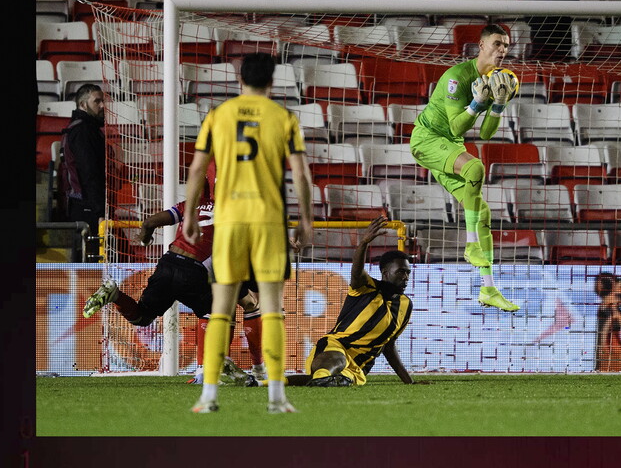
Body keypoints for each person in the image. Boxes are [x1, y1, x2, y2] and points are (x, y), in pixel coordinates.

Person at [182, 52, 314, 414]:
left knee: (221, 308)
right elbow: (301, 175)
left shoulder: (217, 116)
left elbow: (196, 171)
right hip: (269, 221)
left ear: (240, 80)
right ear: (272, 82)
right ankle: (276, 397)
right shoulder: (284, 118)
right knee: (272, 309)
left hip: (229, 222)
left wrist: (190, 215)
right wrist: (306, 219)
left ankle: (208, 397)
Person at [80, 177, 267, 382]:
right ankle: (208, 369)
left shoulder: (190, 206)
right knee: (221, 311)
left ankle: (114, 295)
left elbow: (149, 222)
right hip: (194, 271)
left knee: (142, 318)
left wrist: (144, 238)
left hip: (167, 264)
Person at [409, 24, 520, 312]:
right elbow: (458, 124)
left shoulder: (498, 80)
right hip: (428, 139)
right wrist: (477, 102)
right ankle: (470, 244)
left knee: (482, 211)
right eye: (497, 43)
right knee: (476, 169)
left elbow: (484, 135)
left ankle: (489, 288)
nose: (502, 50)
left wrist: (497, 104)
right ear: (481, 46)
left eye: (506, 46)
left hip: (451, 145)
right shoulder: (457, 77)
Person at [251, 216, 422, 387]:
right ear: (385, 272)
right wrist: (363, 243)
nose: (406, 277)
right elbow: (356, 272)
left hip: (358, 367)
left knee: (334, 378)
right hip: (334, 347)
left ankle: (263, 384)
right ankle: (324, 378)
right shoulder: (366, 288)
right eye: (401, 272)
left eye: (408, 272)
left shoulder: (406, 306)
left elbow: (389, 345)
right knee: (335, 361)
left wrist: (409, 382)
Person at [60, 83, 106, 261]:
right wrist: (100, 211)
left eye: (103, 101)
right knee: (96, 263)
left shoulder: (82, 128)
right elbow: (89, 173)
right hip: (87, 207)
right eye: (97, 101)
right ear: (83, 104)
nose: (102, 105)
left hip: (85, 205)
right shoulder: (83, 131)